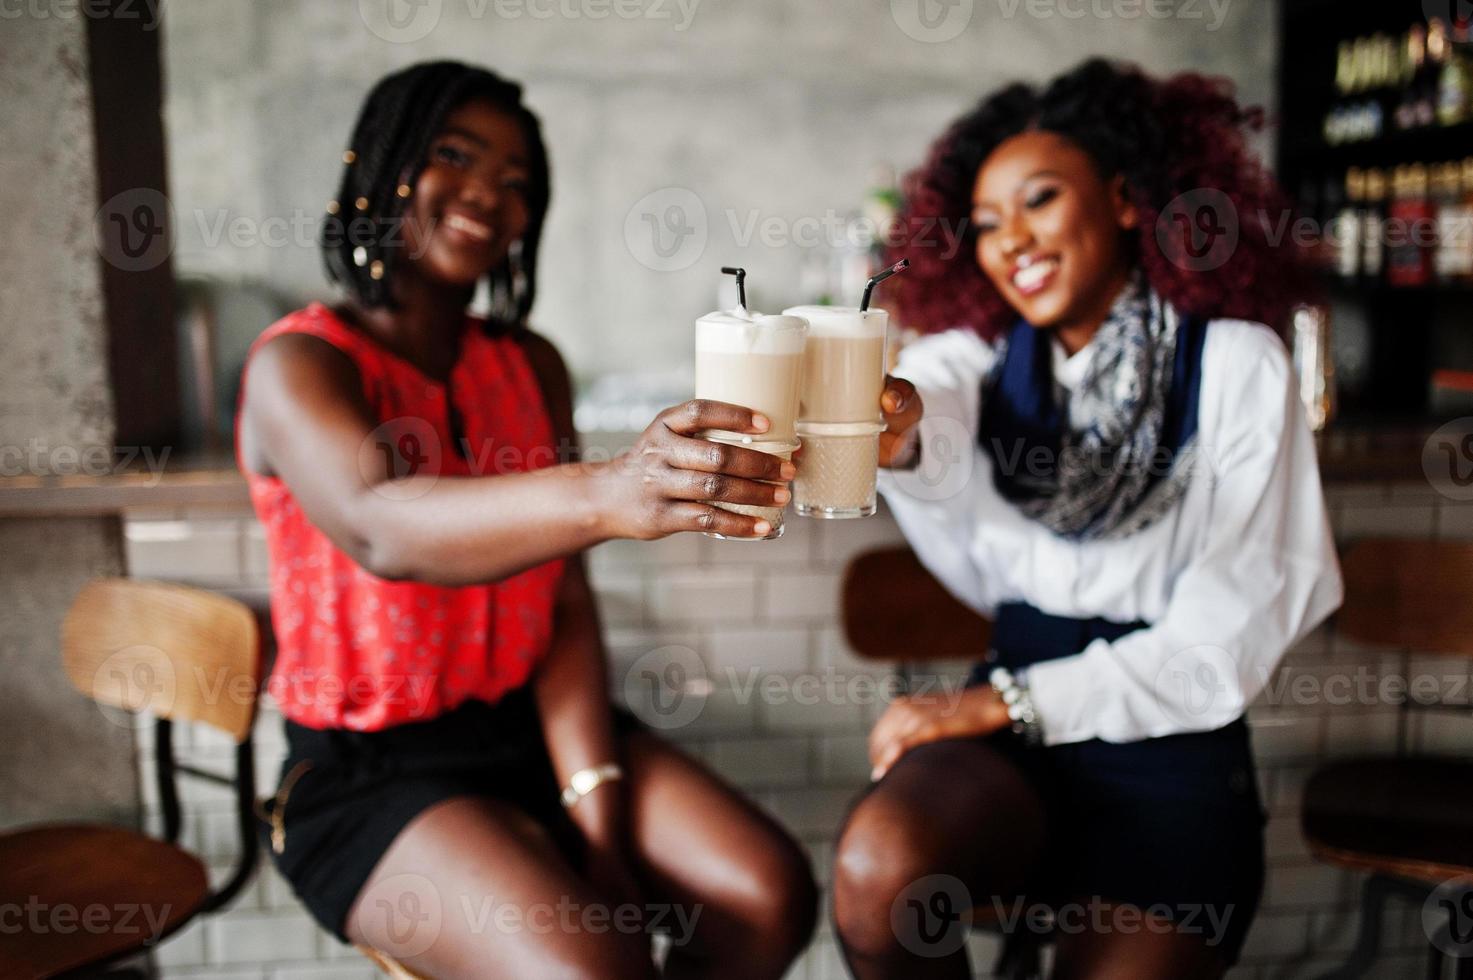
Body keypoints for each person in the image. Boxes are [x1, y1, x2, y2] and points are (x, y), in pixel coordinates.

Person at [236, 61, 816, 980]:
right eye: (454, 157)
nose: (487, 195)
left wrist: (598, 822)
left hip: (530, 728)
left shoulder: (528, 365)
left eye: (516, 182)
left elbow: (566, 611)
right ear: (377, 164)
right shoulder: (300, 364)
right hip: (368, 772)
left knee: (769, 892)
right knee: (598, 967)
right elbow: (380, 526)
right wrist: (605, 491)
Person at [832, 58, 1343, 979]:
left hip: (1168, 751)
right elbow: (926, 407)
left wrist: (1005, 701)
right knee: (880, 869)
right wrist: (894, 429)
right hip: (1008, 741)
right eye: (985, 224)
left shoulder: (1233, 365)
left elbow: (1225, 633)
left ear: (1122, 200)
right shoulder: (976, 361)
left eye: (1037, 201)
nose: (1010, 241)